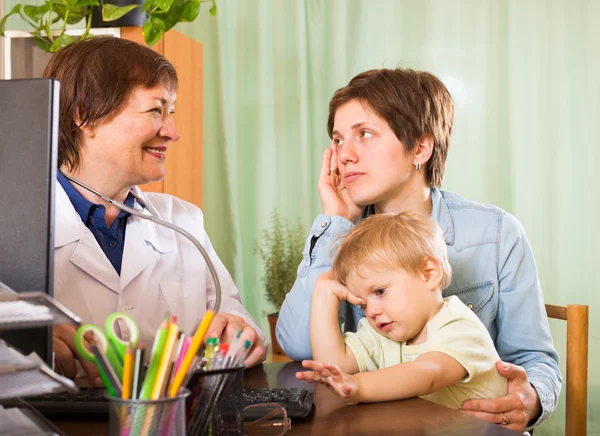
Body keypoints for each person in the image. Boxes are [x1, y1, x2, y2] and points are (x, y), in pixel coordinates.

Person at [277, 68, 560, 432]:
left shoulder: (496, 234)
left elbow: (534, 358)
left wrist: (531, 398)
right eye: (337, 139)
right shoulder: (345, 237)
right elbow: (301, 348)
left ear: (421, 148)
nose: (344, 155)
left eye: (364, 134)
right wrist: (336, 222)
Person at [43, 37, 267, 387]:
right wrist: (22, 342)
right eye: (155, 110)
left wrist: (239, 333)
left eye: (171, 112)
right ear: (85, 115)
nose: (172, 132)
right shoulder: (14, 225)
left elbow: (233, 317)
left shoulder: (182, 220)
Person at [296, 213, 508, 409]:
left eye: (380, 291)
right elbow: (334, 365)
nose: (371, 311)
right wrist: (323, 293)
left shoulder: (459, 326)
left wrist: (359, 385)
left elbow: (428, 374)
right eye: (362, 304)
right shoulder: (381, 331)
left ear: (428, 274)